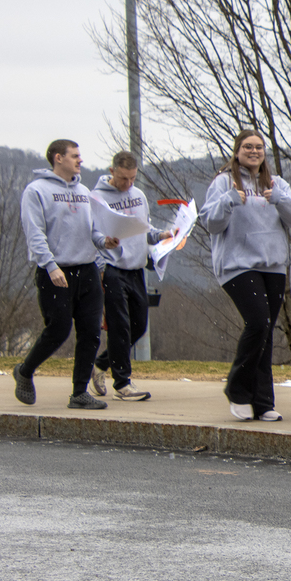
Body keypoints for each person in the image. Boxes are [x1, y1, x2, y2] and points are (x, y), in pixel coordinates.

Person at [199, 130, 291, 421]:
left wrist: (280, 199)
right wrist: (229, 200)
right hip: (238, 265)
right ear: (237, 151)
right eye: (248, 146)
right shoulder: (224, 182)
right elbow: (211, 223)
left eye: (259, 147)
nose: (254, 151)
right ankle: (237, 390)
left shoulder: (276, 183)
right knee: (258, 323)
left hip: (273, 265)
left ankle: (263, 402)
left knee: (265, 332)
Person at [14, 139, 119, 409]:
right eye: (75, 156)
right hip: (55, 271)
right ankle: (25, 371)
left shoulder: (84, 191)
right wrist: (50, 266)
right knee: (58, 330)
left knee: (91, 333)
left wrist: (104, 242)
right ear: (58, 158)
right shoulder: (36, 191)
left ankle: (79, 393)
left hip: (87, 270)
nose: (80, 160)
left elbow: (92, 230)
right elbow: (35, 234)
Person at [90, 151, 174, 401]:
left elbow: (144, 230)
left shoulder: (138, 195)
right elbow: (92, 235)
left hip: (136, 268)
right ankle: (123, 383)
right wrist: (101, 267)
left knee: (138, 326)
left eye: (132, 178)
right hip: (112, 268)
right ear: (112, 171)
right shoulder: (97, 199)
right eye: (123, 178)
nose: (128, 184)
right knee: (119, 326)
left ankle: (101, 364)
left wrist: (162, 235)